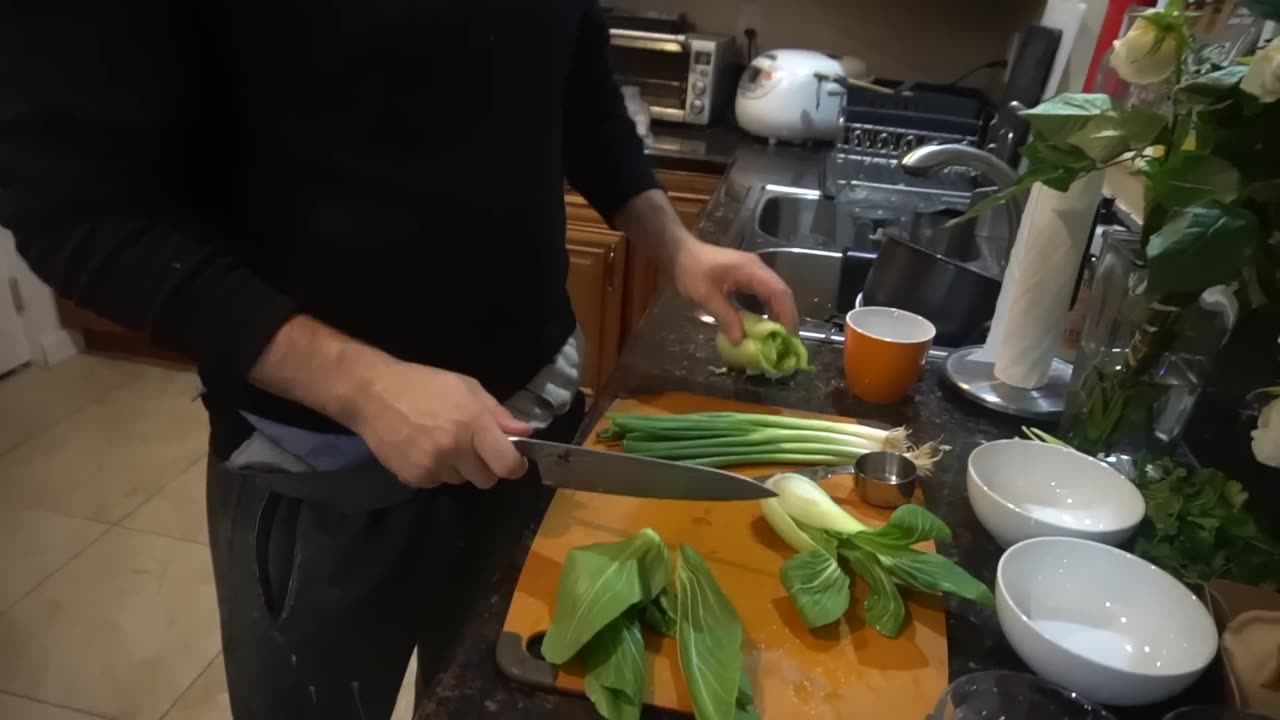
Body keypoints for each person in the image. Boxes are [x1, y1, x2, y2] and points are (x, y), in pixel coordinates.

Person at [0, 1, 798, 718]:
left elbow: (571, 68)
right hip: (321, 468)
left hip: (533, 434)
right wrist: (365, 385)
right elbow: (75, 215)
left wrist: (673, 242)